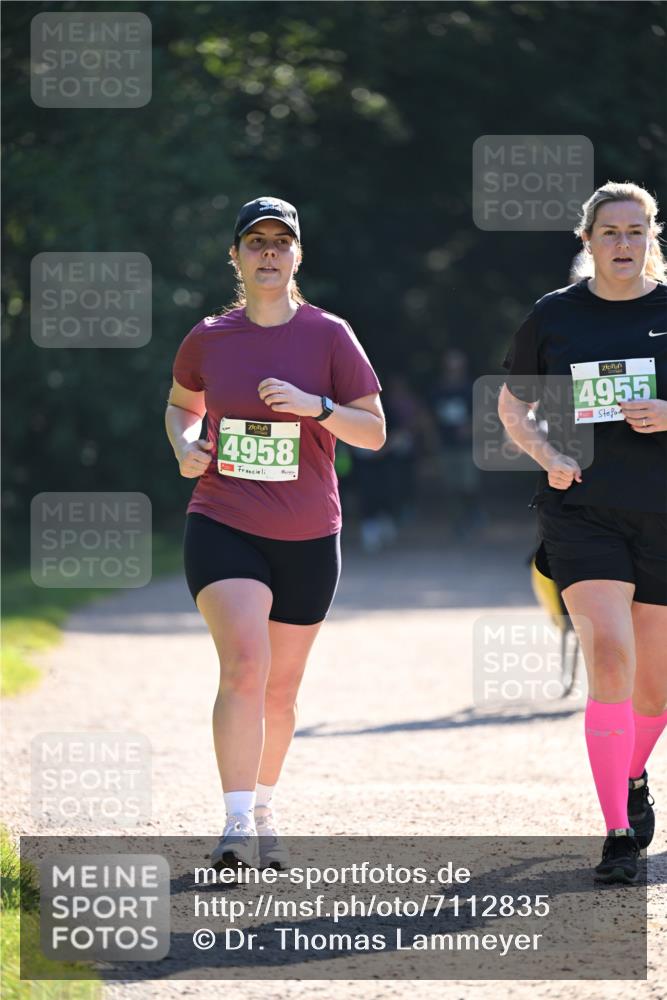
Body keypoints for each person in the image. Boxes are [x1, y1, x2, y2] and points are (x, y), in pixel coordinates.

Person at [165, 197, 384, 869]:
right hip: (222, 519)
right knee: (245, 666)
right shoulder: (209, 336)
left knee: (281, 692)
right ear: (234, 256)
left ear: (296, 256)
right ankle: (232, 824)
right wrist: (185, 445)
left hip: (309, 533)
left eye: (279, 242)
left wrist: (317, 406)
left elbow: (372, 432)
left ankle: (263, 807)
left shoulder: (329, 336)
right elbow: (181, 407)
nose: (267, 252)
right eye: (254, 241)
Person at [498, 181, 667, 884]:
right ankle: (616, 835)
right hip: (581, 510)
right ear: (586, 241)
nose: (622, 244)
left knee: (653, 690)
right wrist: (549, 455)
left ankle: (630, 775)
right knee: (606, 651)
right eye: (609, 232)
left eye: (634, 231)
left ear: (650, 237)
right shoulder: (553, 316)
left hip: (661, 512)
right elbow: (511, 408)